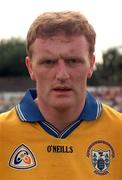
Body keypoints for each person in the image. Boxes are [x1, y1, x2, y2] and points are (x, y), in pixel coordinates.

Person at [0, 11, 122, 179]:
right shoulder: (3, 133)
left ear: (91, 64)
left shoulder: (119, 131)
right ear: (30, 67)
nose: (62, 74)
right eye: (48, 62)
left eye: (73, 61)